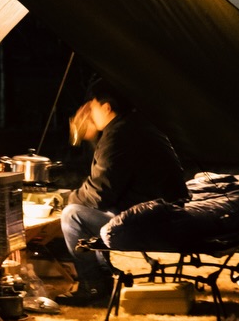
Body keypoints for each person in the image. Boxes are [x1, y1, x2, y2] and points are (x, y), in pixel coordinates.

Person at [58, 79, 187, 303]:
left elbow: (100, 193)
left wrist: (66, 199)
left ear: (107, 107)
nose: (89, 112)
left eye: (93, 106)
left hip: (151, 220)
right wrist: (90, 138)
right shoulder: (136, 125)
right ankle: (104, 278)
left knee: (73, 215)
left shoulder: (119, 135)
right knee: (92, 210)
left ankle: (93, 286)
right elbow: (110, 178)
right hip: (164, 211)